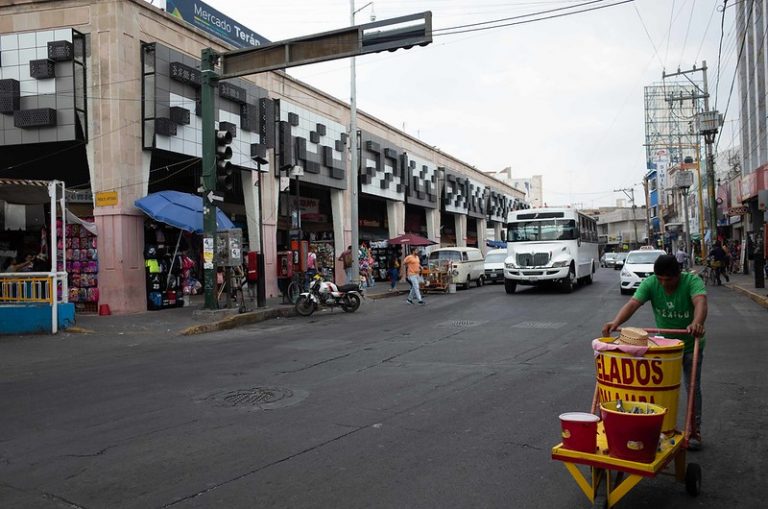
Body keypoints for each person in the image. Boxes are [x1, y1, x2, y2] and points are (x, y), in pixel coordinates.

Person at [601, 254, 707, 450]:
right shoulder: (650, 283)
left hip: (690, 344)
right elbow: (633, 303)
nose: (664, 283)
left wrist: (697, 323)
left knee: (692, 387)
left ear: (678, 274)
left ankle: (694, 431)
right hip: (666, 348)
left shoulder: (692, 281)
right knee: (659, 389)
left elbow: (700, 302)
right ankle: (660, 428)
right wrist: (616, 322)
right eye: (660, 279)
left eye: (668, 279)